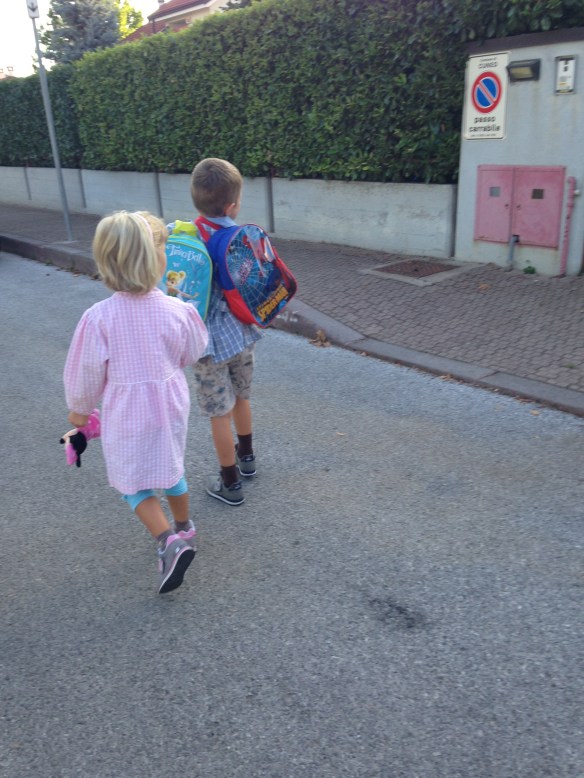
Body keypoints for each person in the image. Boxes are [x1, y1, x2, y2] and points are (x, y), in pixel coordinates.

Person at [63, 211, 209, 594]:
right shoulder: (179, 310)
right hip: (169, 402)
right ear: (157, 259)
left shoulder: (99, 319)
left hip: (126, 411)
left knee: (133, 482)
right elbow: (194, 350)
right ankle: (185, 528)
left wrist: (79, 412)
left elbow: (86, 374)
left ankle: (168, 542)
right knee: (170, 465)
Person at [188, 157, 262, 506]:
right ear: (232, 205)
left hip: (206, 344)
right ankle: (247, 459)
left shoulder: (187, 239)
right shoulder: (241, 237)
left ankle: (230, 483)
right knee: (242, 397)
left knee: (219, 412)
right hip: (241, 333)